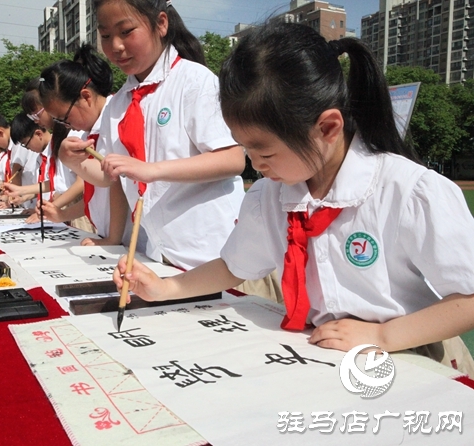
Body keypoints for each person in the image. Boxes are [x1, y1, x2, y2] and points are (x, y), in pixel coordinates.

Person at [114, 22, 474, 375]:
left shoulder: (409, 192)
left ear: (327, 128)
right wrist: (165, 288)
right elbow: (233, 267)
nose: (254, 164)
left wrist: (382, 334)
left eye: (264, 152)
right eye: (246, 148)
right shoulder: (271, 195)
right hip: (330, 357)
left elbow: (469, 299)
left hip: (411, 356)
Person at [58, 0, 246, 271]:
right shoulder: (117, 104)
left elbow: (232, 159)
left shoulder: (194, 81)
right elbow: (110, 176)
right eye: (106, 36)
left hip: (213, 251)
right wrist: (74, 161)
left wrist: (151, 170)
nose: (116, 46)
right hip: (157, 253)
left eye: (126, 32)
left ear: (161, 24)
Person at [38, 42, 130, 246]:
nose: (65, 125)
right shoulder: (89, 129)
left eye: (64, 117)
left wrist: (112, 239)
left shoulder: (117, 119)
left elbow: (115, 181)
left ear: (86, 97)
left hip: (130, 240)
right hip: (110, 236)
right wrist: (61, 214)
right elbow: (95, 192)